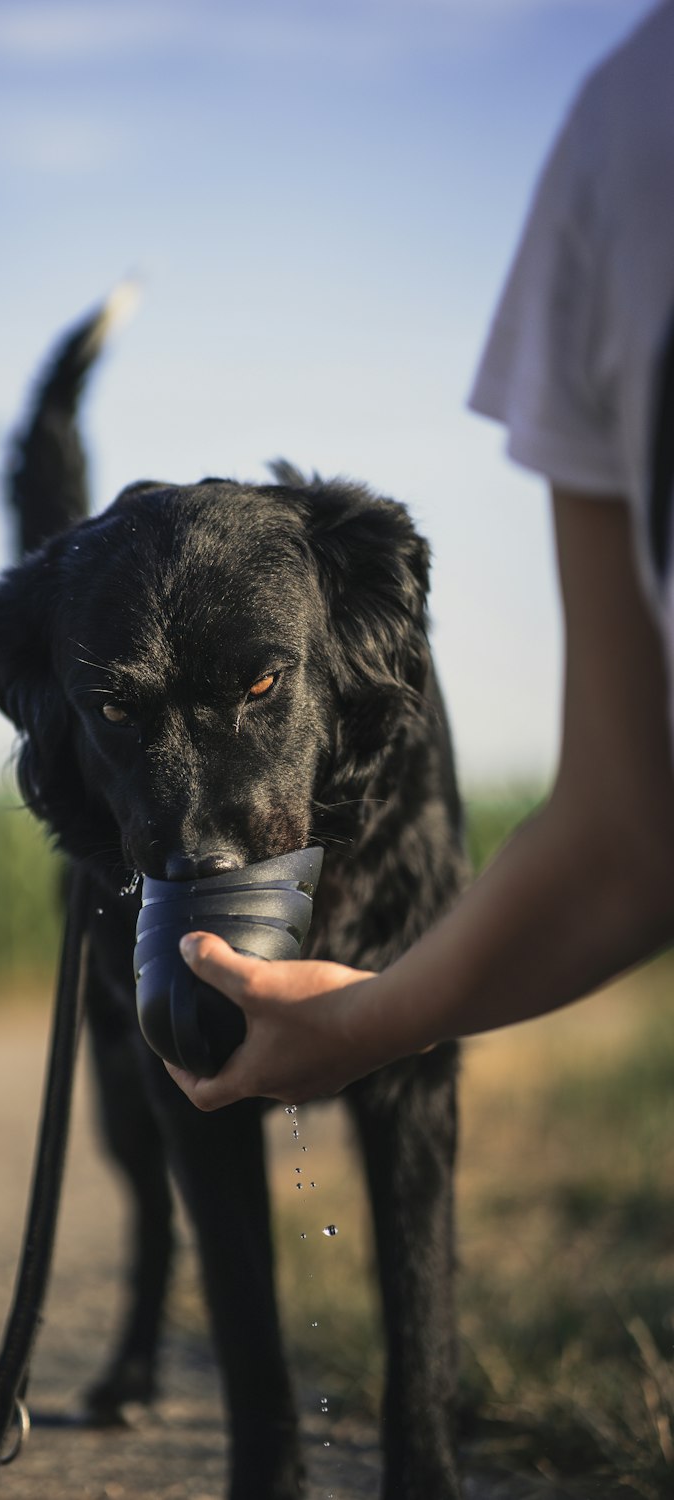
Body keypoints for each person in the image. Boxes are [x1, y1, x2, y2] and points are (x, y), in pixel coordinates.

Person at [167, 0, 674, 1111]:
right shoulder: (617, 145)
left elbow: (625, 840)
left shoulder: (614, 131)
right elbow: (628, 837)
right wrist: (354, 1022)